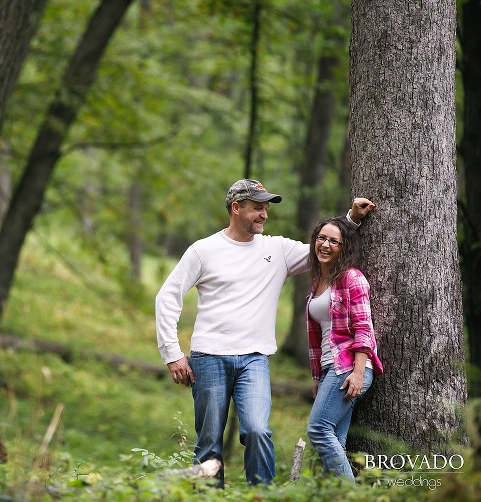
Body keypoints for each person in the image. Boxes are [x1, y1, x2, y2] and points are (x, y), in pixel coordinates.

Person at [155, 178, 374, 486]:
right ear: (236, 208)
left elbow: (324, 247)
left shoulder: (277, 249)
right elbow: (167, 296)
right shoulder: (203, 251)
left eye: (266, 209)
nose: (264, 215)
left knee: (258, 430)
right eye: (257, 208)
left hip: (254, 359)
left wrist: (350, 220)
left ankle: (263, 494)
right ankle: (209, 495)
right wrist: (172, 353)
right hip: (208, 357)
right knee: (209, 443)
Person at [305, 216, 383, 479]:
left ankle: (352, 496)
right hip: (330, 369)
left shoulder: (352, 278)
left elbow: (364, 329)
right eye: (321, 238)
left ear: (344, 247)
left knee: (318, 429)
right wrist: (318, 377)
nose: (325, 245)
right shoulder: (318, 282)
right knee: (336, 439)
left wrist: (359, 373)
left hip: (349, 366)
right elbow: (318, 338)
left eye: (333, 241)